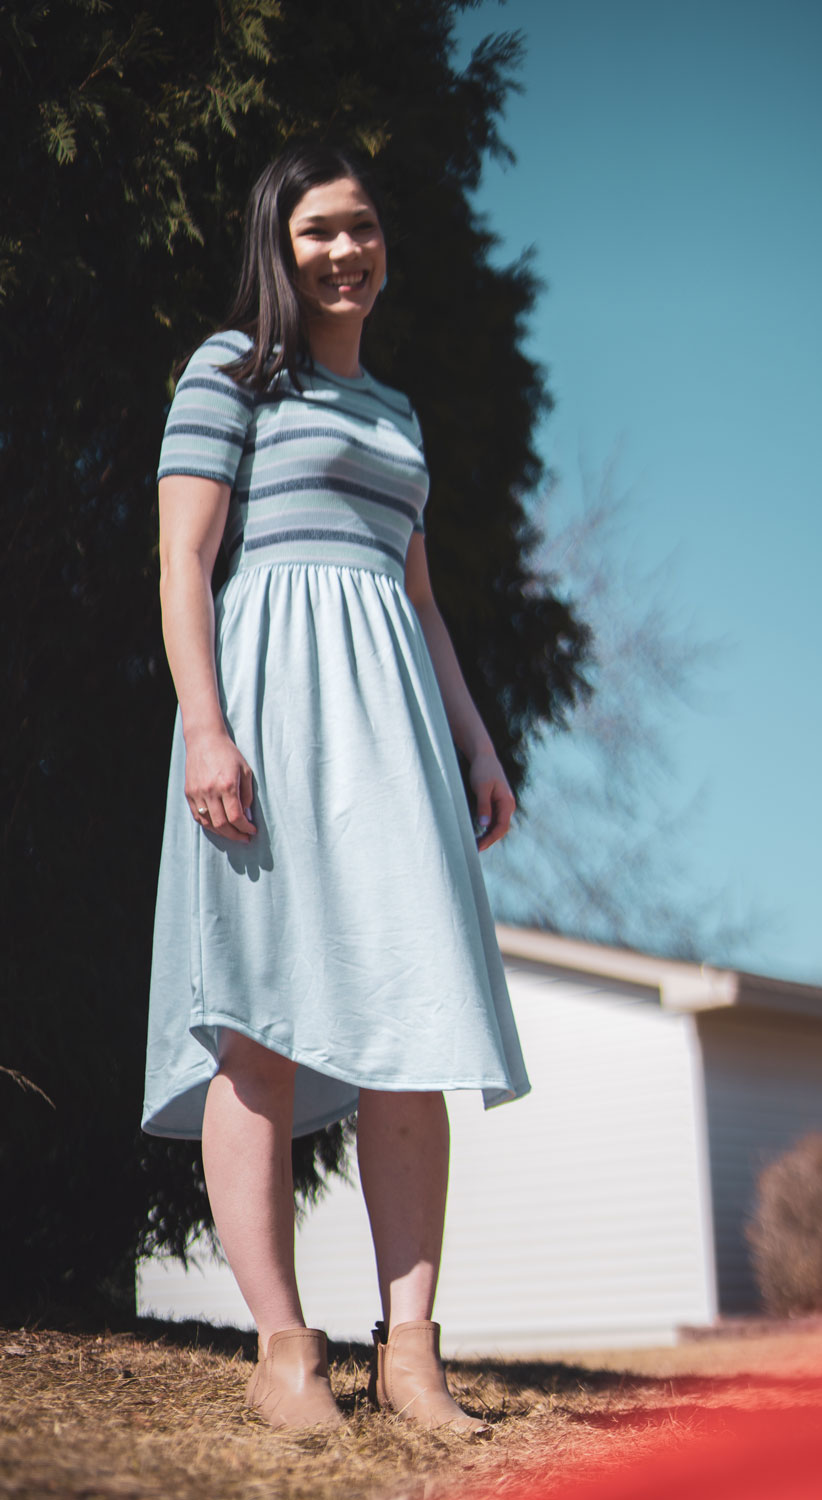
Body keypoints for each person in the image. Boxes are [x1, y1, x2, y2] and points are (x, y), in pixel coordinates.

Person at [141, 142, 530, 1435]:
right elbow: (185, 562)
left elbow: (418, 604)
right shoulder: (229, 372)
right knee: (254, 1032)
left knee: (412, 1033)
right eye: (317, 231)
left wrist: (475, 743)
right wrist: (206, 728)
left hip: (397, 740)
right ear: (277, 244)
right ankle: (284, 1351)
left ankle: (409, 1354)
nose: (343, 250)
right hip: (267, 722)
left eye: (360, 226)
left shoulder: (399, 416)